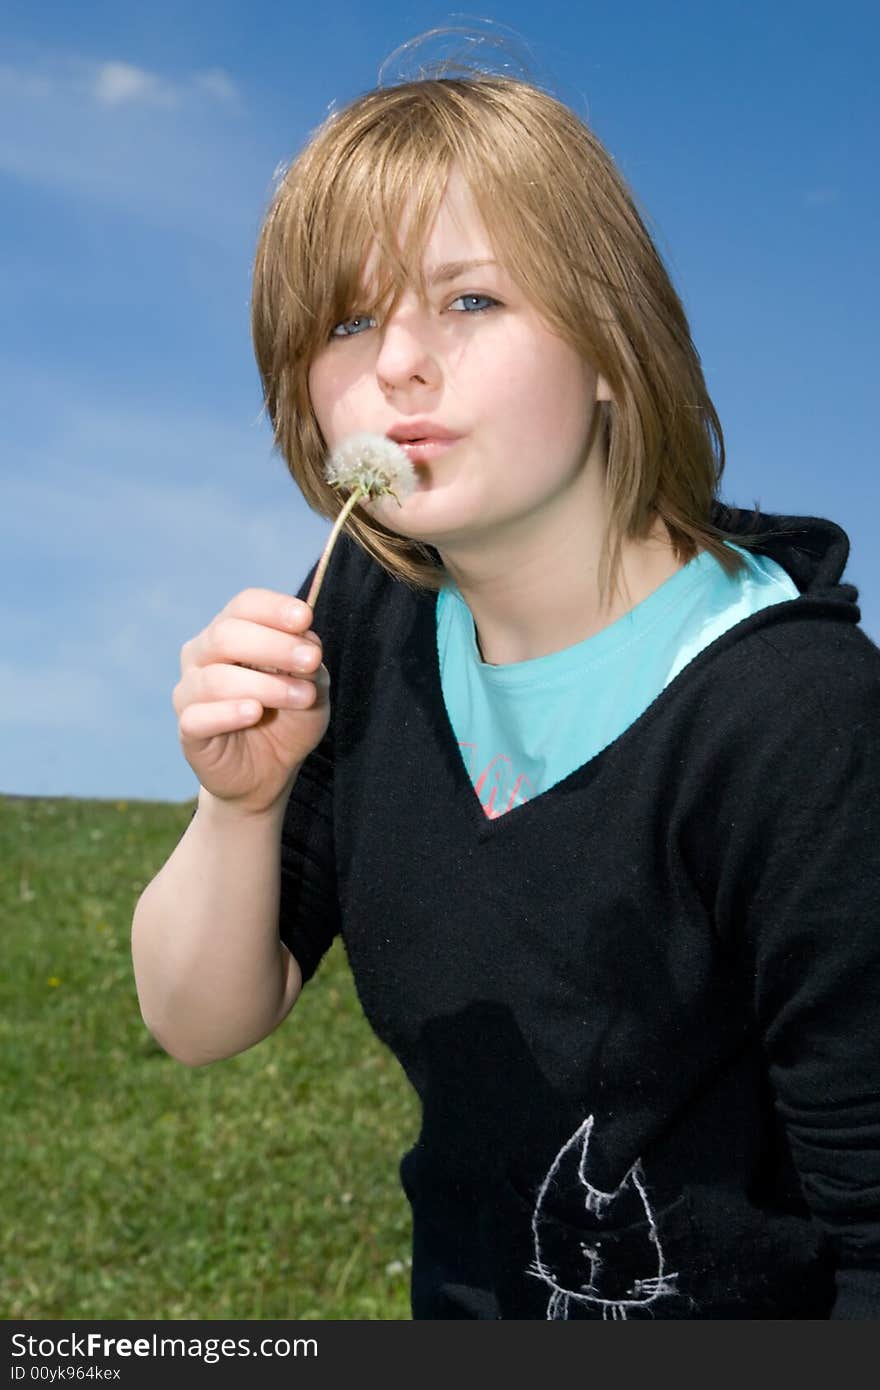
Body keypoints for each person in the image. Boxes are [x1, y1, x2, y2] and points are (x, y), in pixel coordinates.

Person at [130, 63, 880, 1320]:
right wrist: (241, 810)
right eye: (345, 323)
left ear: (609, 344)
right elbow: (200, 1018)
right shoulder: (360, 627)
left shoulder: (797, 720)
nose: (399, 367)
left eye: (469, 298)